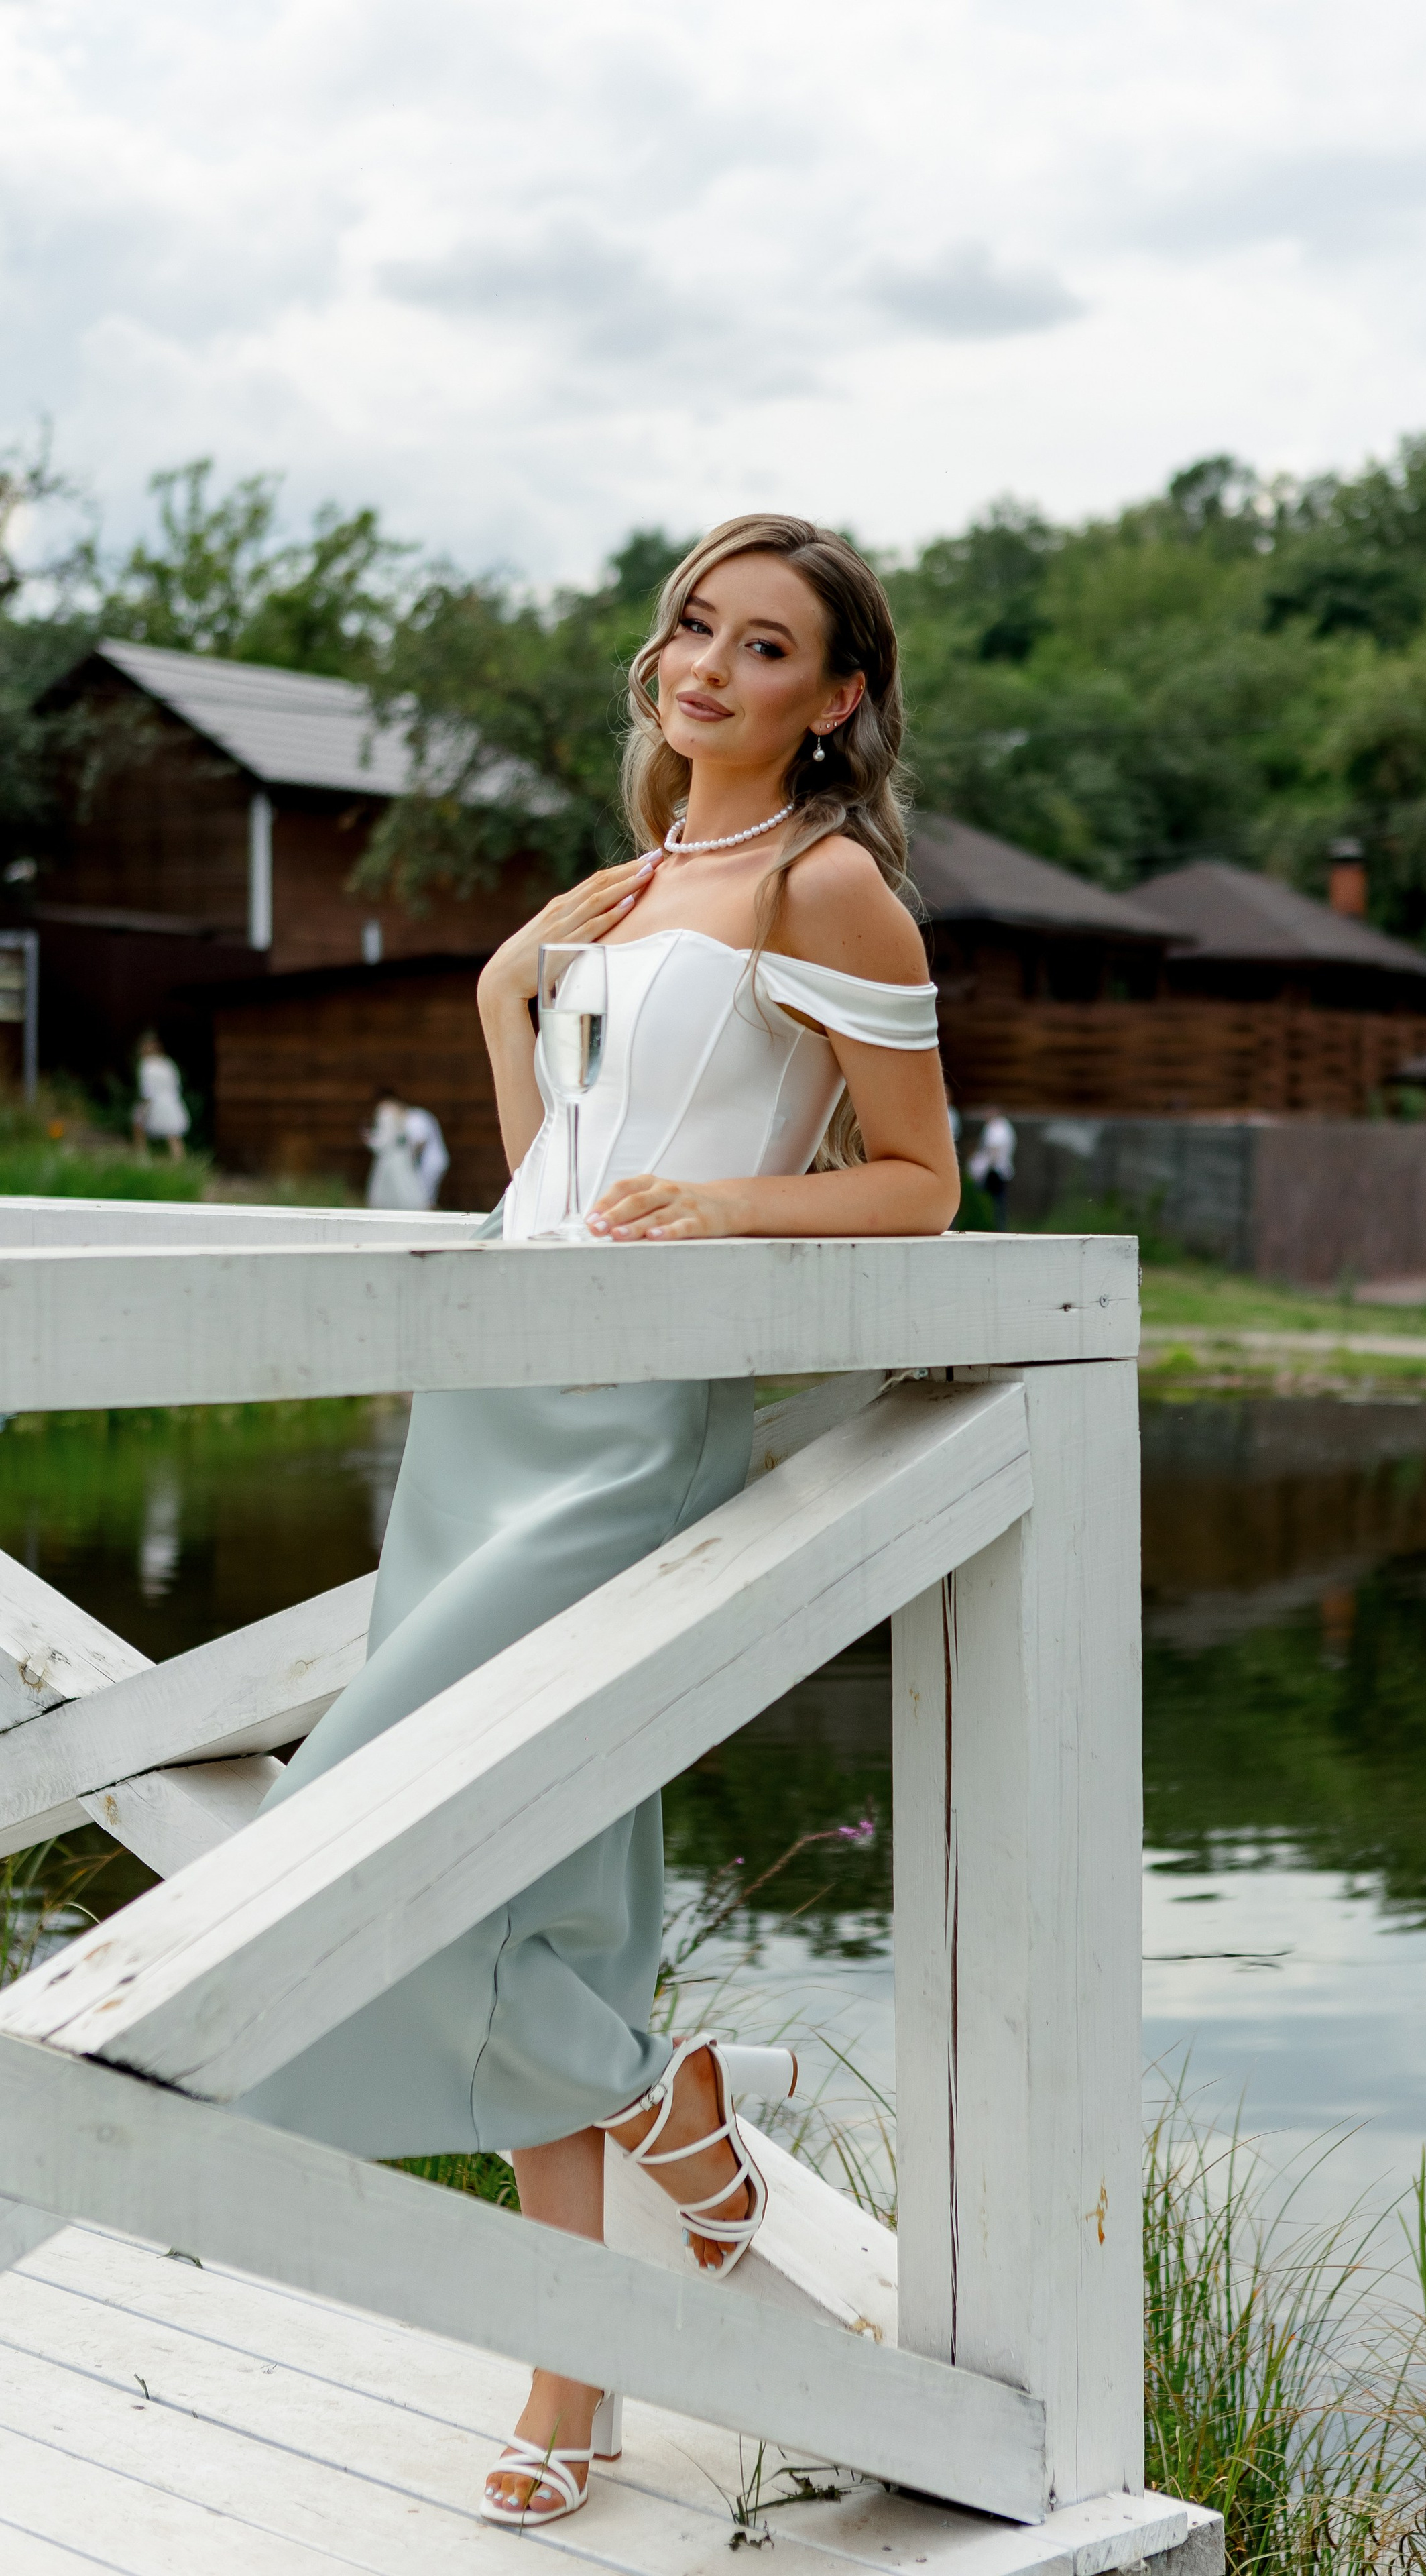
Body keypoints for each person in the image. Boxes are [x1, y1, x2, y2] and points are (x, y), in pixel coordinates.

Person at [236, 517, 959, 2530]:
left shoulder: (828, 884)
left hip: (634, 1426)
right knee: (526, 1884)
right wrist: (507, 994)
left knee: (388, 1823)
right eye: (692, 625)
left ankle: (653, 2120)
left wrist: (725, 1207)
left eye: (764, 643)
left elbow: (918, 1183)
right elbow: (549, 1166)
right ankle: (583, 2345)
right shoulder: (630, 882)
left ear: (835, 697)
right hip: (492, 1401)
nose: (705, 663)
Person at [363, 1093, 451, 1210]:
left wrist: (412, 1159)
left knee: (424, 1197)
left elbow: (421, 1142)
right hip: (428, 1160)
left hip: (429, 1162)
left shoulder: (414, 1117)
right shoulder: (414, 1115)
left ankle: (431, 1215)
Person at [131, 1031, 189, 1162]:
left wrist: (145, 1105)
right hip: (172, 1101)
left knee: (139, 1125)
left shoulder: (147, 1065)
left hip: (154, 1102)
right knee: (173, 1134)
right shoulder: (167, 1063)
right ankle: (179, 1161)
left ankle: (142, 1158)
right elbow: (176, 1084)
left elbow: (147, 1089)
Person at [967, 1104, 1016, 1229]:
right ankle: (999, 1226)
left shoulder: (996, 1127)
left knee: (993, 1201)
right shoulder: (1004, 1126)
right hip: (999, 1169)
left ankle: (997, 1226)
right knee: (998, 1201)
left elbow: (994, 1148)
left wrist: (984, 1169)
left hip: (995, 1170)